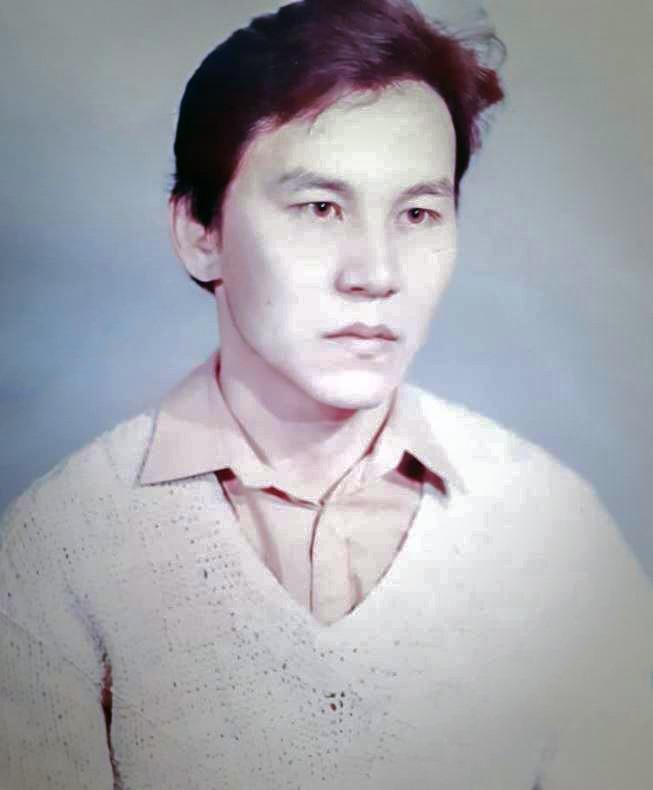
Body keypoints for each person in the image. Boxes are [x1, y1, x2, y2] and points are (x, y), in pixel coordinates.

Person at [1, 0, 651, 788]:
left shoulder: (555, 532)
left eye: (417, 213)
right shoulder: (61, 548)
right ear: (200, 234)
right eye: (319, 208)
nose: (375, 273)